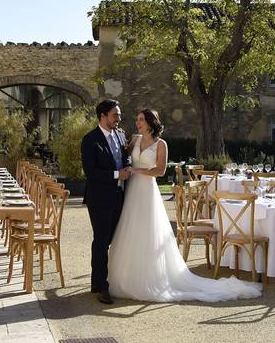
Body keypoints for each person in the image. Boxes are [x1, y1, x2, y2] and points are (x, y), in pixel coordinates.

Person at [107, 108, 262, 302]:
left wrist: (135, 170)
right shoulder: (134, 140)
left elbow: (160, 171)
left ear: (150, 122)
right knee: (129, 230)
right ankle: (125, 278)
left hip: (147, 191)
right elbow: (122, 159)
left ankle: (150, 278)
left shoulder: (160, 144)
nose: (137, 122)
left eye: (141, 119)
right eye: (137, 119)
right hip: (132, 191)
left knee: (147, 232)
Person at [81, 99, 132, 304]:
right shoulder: (90, 140)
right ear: (102, 116)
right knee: (101, 241)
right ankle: (100, 286)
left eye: (118, 115)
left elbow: (125, 158)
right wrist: (116, 174)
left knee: (115, 239)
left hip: (121, 196)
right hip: (100, 199)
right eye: (115, 115)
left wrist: (127, 168)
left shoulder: (120, 135)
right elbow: (90, 172)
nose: (118, 118)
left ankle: (113, 280)